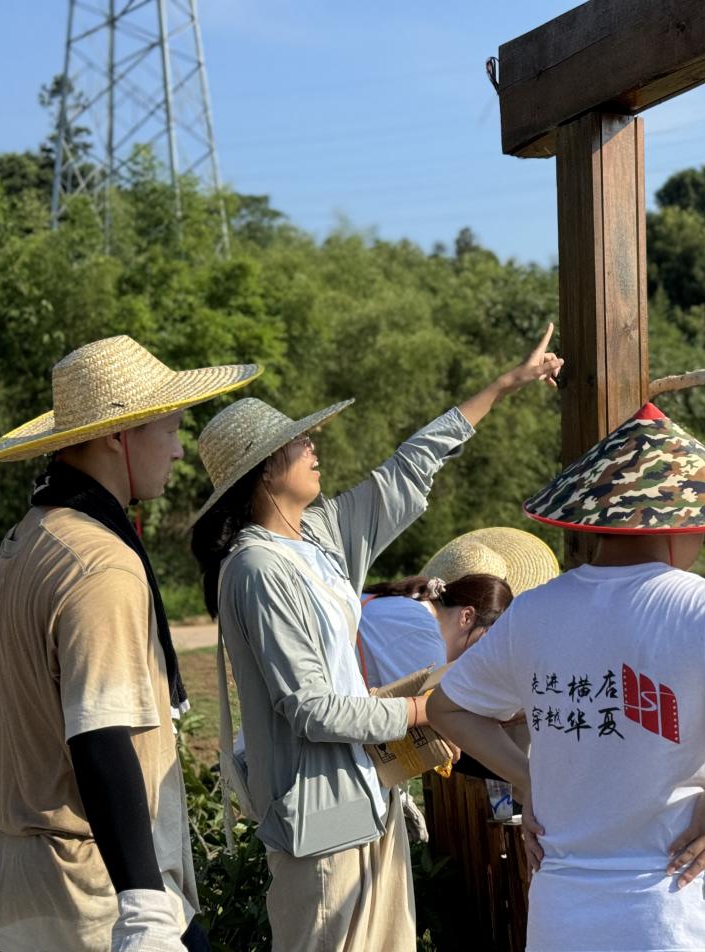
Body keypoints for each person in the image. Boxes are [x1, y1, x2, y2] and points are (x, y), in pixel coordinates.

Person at [188, 324, 561, 952]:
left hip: (367, 799)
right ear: (263, 471)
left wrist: (503, 385)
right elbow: (310, 708)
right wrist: (420, 710)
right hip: (318, 823)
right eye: (296, 441)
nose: (312, 445)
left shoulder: (316, 536)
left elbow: (409, 467)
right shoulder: (257, 569)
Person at [428, 402, 705, 952]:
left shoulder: (534, 612)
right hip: (682, 911)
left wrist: (528, 777)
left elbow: (448, 707)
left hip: (564, 917)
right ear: (682, 524)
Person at [0, 335, 261, 952]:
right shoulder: (100, 563)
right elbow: (100, 735)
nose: (179, 449)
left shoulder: (29, 538)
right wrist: (146, 911)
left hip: (30, 896)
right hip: (97, 899)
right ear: (118, 435)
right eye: (171, 429)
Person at [356, 527, 559, 686]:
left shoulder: (405, 603)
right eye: (490, 636)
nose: (492, 650)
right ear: (467, 616)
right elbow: (435, 716)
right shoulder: (422, 634)